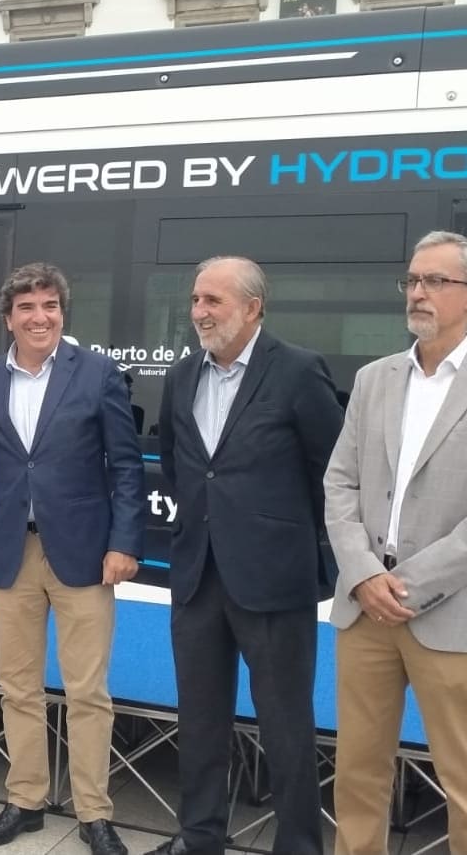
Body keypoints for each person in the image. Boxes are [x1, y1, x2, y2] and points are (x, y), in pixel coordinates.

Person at [0, 263, 142, 854]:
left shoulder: (99, 374)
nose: (41, 317)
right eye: (28, 308)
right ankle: (25, 801)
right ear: (8, 319)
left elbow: (127, 469)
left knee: (88, 691)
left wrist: (125, 542)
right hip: (10, 554)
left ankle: (93, 813)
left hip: (84, 555)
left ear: (62, 312)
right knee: (18, 687)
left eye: (50, 306)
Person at [153, 256, 343, 855]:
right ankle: (200, 836)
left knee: (285, 726)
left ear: (253, 307)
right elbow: (180, 466)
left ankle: (299, 846)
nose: (199, 312)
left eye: (213, 300)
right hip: (197, 575)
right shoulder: (182, 377)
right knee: (200, 719)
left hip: (273, 580)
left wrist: (302, 548)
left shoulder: (296, 371)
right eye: (195, 300)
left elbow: (334, 473)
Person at [325, 230, 467, 854]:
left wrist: (405, 584)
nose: (418, 293)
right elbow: (340, 481)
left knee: (461, 781)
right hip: (364, 610)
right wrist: (362, 573)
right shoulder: (374, 379)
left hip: (449, 615)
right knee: (357, 771)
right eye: (412, 280)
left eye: (436, 281)